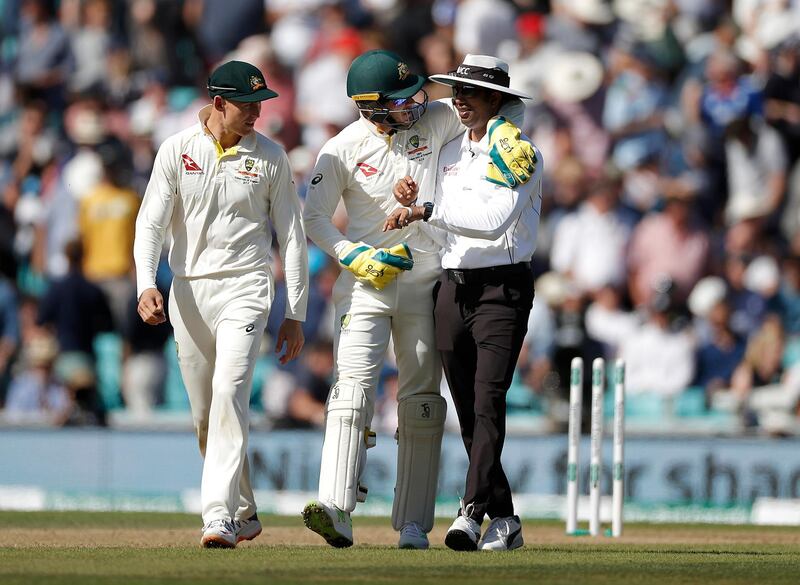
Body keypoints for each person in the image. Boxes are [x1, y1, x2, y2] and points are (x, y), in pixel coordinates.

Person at [301, 49, 531, 550]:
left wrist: (508, 133)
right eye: (402, 101)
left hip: (426, 278)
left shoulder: (434, 118)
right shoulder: (340, 149)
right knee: (352, 388)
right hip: (366, 283)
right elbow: (313, 217)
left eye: (417, 95)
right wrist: (352, 254)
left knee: (423, 398)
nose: (418, 105)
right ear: (372, 106)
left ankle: (413, 524)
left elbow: (500, 106)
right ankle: (337, 509)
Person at [133, 60, 309, 549]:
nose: (257, 113)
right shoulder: (176, 149)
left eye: (260, 104)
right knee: (205, 414)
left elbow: (291, 237)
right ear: (217, 104)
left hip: (247, 286)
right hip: (188, 290)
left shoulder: (272, 156)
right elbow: (150, 222)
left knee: (231, 391)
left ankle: (217, 517)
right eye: (247, 105)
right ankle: (245, 510)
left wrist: (295, 312)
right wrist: (146, 282)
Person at [385, 54, 542, 551]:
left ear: (496, 99)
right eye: (457, 92)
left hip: (502, 289)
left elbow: (494, 219)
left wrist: (428, 208)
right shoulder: (452, 149)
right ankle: (507, 519)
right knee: (470, 410)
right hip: (452, 288)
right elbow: (434, 203)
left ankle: (471, 511)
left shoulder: (518, 151)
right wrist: (413, 192)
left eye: (470, 93)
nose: (460, 101)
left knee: (489, 399)